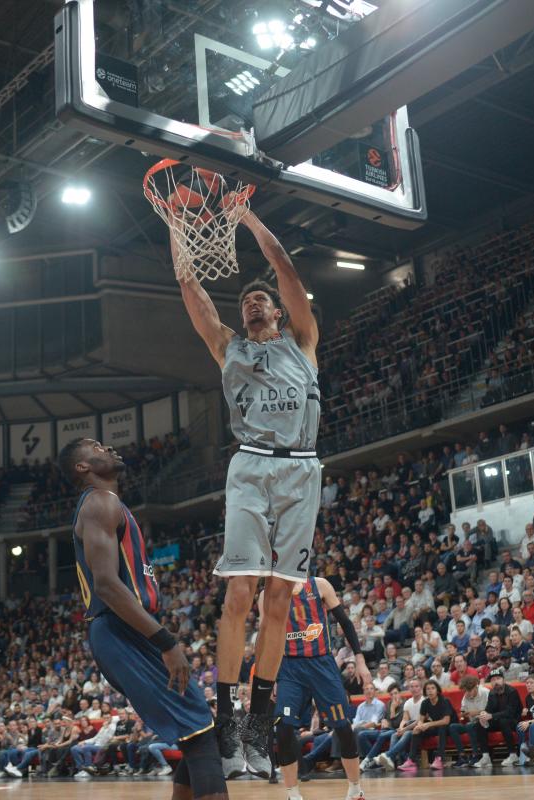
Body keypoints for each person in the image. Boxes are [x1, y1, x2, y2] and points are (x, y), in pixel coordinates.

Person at [174, 206, 321, 779]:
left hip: (302, 471)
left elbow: (281, 263)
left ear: (281, 312)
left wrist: (247, 217)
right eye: (244, 303)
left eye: (260, 301)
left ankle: (260, 728)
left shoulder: (303, 341)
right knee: (240, 593)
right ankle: (228, 723)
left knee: (279, 602)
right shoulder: (228, 348)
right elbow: (191, 285)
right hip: (251, 469)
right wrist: (175, 221)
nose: (250, 304)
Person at [58, 438, 229, 799]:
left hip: (124, 630)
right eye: (96, 447)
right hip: (122, 631)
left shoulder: (109, 505)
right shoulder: (99, 503)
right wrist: (165, 641)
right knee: (201, 737)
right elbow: (105, 583)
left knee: (199, 733)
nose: (109, 449)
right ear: (82, 467)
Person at [264, 576, 371, 800]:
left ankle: (355, 788)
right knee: (283, 728)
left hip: (321, 664)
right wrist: (270, 675)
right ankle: (293, 795)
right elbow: (267, 637)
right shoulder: (267, 594)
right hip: (289, 668)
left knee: (342, 726)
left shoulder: (319, 585)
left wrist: (360, 660)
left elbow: (346, 623)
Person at [399, 680, 454, 771]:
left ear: (437, 690)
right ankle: (411, 761)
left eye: (433, 688)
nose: (430, 691)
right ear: (425, 691)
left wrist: (428, 724)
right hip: (435, 726)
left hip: (449, 727)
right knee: (416, 730)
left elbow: (446, 721)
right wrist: (419, 726)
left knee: (442, 728)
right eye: (428, 689)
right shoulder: (425, 703)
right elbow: (420, 720)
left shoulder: (444, 701)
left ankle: (439, 759)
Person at [473, 667, 522, 767]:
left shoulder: (512, 691)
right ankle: (486, 757)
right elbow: (488, 709)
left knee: (504, 721)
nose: (496, 682)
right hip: (499, 721)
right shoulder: (492, 693)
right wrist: (483, 715)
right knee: (479, 724)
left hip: (513, 721)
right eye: (493, 680)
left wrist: (491, 716)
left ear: (503, 680)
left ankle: (513, 755)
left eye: (498, 679)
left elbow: (510, 712)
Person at [376, 679, 424, 770]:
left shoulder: (424, 700)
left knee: (404, 733)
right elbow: (404, 719)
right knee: (395, 734)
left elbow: (419, 720)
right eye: (412, 687)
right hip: (410, 727)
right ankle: (392, 762)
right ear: (409, 689)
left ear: (421, 688)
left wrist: (404, 729)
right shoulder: (408, 702)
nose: (414, 689)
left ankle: (388, 756)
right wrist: (401, 728)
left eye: (416, 686)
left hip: (422, 728)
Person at [358, 684, 404, 770]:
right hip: (385, 730)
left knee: (383, 735)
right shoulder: (389, 704)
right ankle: (375, 761)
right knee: (362, 734)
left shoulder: (404, 704)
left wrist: (393, 710)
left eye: (396, 693)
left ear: (400, 693)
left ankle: (367, 760)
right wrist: (383, 720)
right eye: (391, 694)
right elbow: (385, 719)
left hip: (397, 731)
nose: (394, 696)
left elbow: (396, 724)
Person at [448, 675, 489, 766]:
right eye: (465, 691)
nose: (468, 693)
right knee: (453, 727)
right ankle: (462, 756)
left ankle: (476, 755)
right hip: (472, 722)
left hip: (484, 722)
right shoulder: (466, 695)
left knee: (470, 725)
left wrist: (476, 712)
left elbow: (492, 711)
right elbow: (463, 710)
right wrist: (463, 713)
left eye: (469, 690)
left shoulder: (485, 692)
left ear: (476, 686)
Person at [518, 675, 534, 764]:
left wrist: (530, 722)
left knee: (532, 726)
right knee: (519, 726)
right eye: (527, 683)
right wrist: (525, 713)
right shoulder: (528, 698)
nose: (528, 685)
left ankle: (532, 754)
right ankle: (523, 753)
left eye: (531, 683)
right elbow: (531, 715)